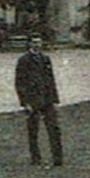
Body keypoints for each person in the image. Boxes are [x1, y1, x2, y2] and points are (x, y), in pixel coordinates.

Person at [14, 35, 64, 168]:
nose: (37, 45)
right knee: (33, 130)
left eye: (39, 42)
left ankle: (57, 158)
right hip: (33, 99)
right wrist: (25, 103)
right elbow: (19, 83)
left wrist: (55, 100)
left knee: (54, 128)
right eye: (34, 42)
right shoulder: (23, 60)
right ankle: (35, 158)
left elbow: (51, 80)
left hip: (47, 99)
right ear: (29, 44)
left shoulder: (46, 59)